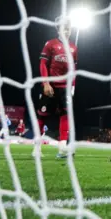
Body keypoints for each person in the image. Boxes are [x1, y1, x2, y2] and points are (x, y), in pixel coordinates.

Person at [35, 17, 78, 158]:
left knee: (65, 115)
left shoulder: (73, 48)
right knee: (42, 115)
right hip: (50, 86)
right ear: (58, 29)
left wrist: (72, 86)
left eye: (69, 28)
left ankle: (62, 149)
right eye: (64, 28)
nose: (67, 31)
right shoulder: (50, 44)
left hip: (65, 87)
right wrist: (46, 83)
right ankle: (36, 148)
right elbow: (43, 64)